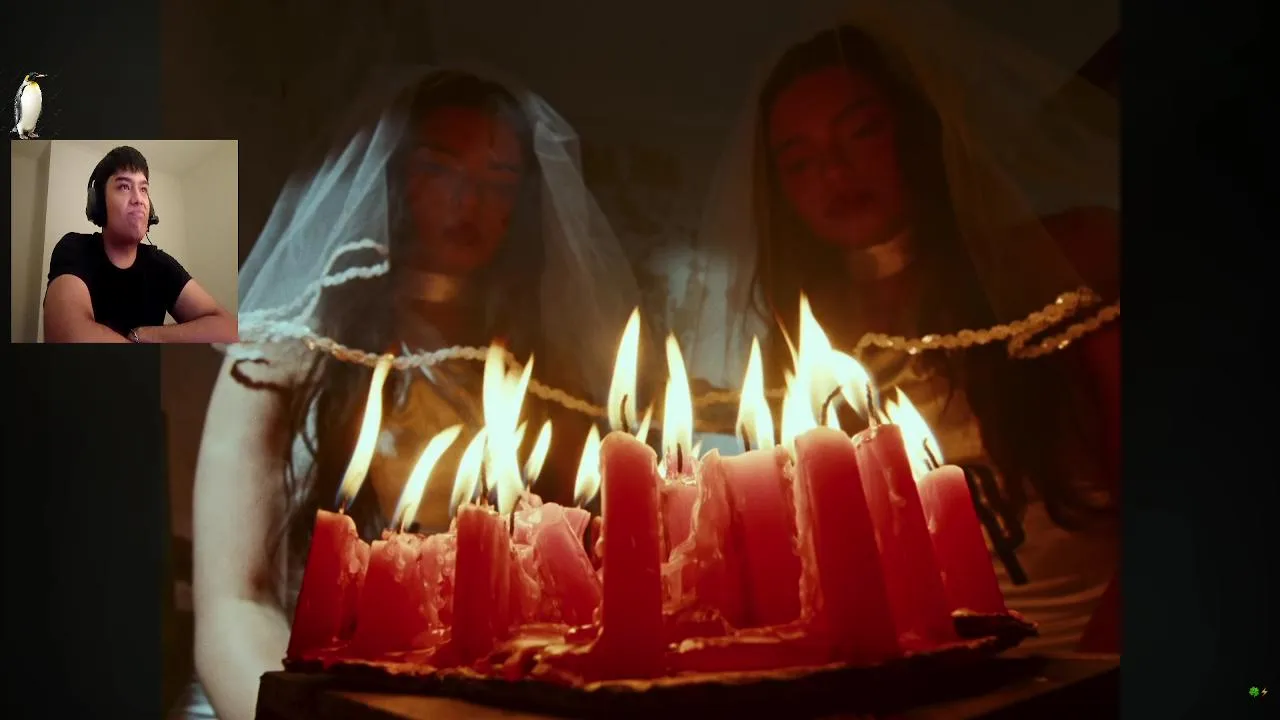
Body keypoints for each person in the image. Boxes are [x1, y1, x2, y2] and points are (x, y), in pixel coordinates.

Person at [181, 67, 642, 720]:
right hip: (291, 690)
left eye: (498, 180)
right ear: (394, 177)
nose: (467, 199)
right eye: (440, 168)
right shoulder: (278, 358)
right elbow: (235, 605)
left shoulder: (545, 381)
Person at [673, 1, 1120, 655]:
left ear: (915, 131)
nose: (834, 171)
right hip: (926, 664)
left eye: (860, 133)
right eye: (799, 160)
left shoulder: (1064, 259)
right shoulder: (807, 337)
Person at [42, 146, 238, 344]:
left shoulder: (161, 265)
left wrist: (147, 335)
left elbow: (228, 327)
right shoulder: (75, 248)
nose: (139, 200)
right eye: (124, 187)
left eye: (143, 189)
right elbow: (68, 334)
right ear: (99, 203)